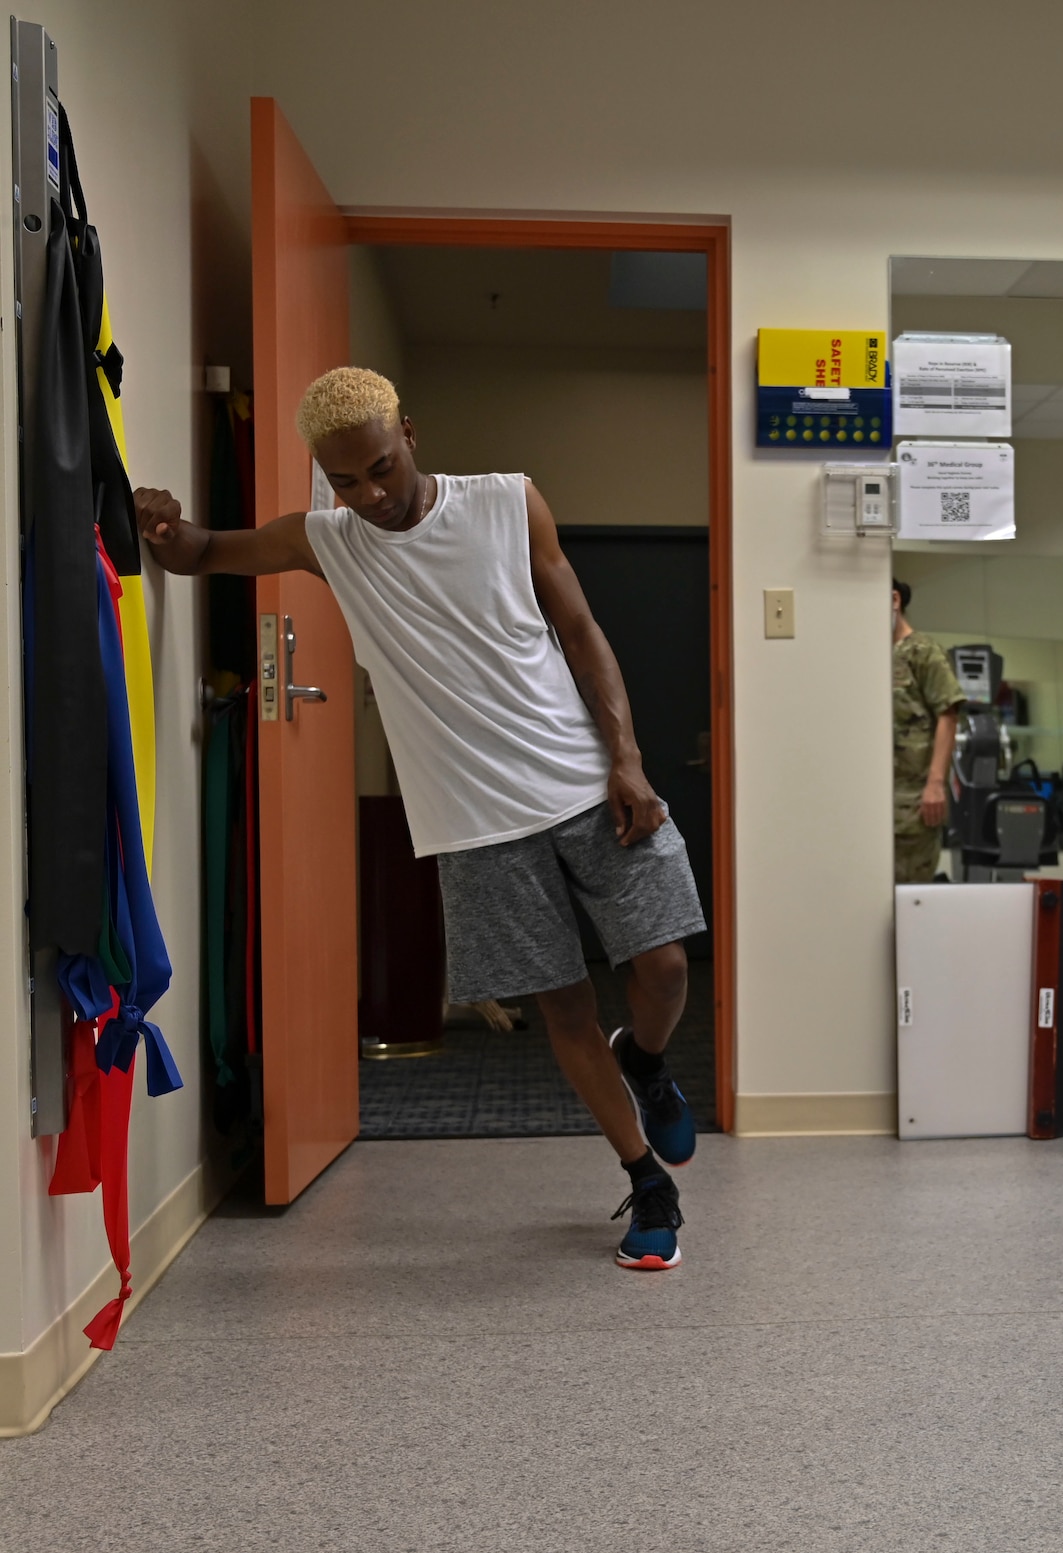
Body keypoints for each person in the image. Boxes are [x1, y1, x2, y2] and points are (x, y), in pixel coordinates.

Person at [134, 368, 704, 1271]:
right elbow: (203, 552)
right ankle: (646, 1176)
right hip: (472, 820)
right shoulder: (328, 540)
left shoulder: (509, 503)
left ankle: (649, 1062)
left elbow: (584, 630)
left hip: (587, 783)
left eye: (382, 469)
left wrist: (626, 758)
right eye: (345, 482)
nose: (370, 496)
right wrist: (162, 527)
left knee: (666, 967)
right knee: (561, 1003)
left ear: (411, 434)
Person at [891, 581, 966, 883]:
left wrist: (936, 784)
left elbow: (948, 715)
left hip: (913, 803)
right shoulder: (871, 656)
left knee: (908, 900)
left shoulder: (923, 651)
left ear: (894, 600)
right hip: (876, 801)